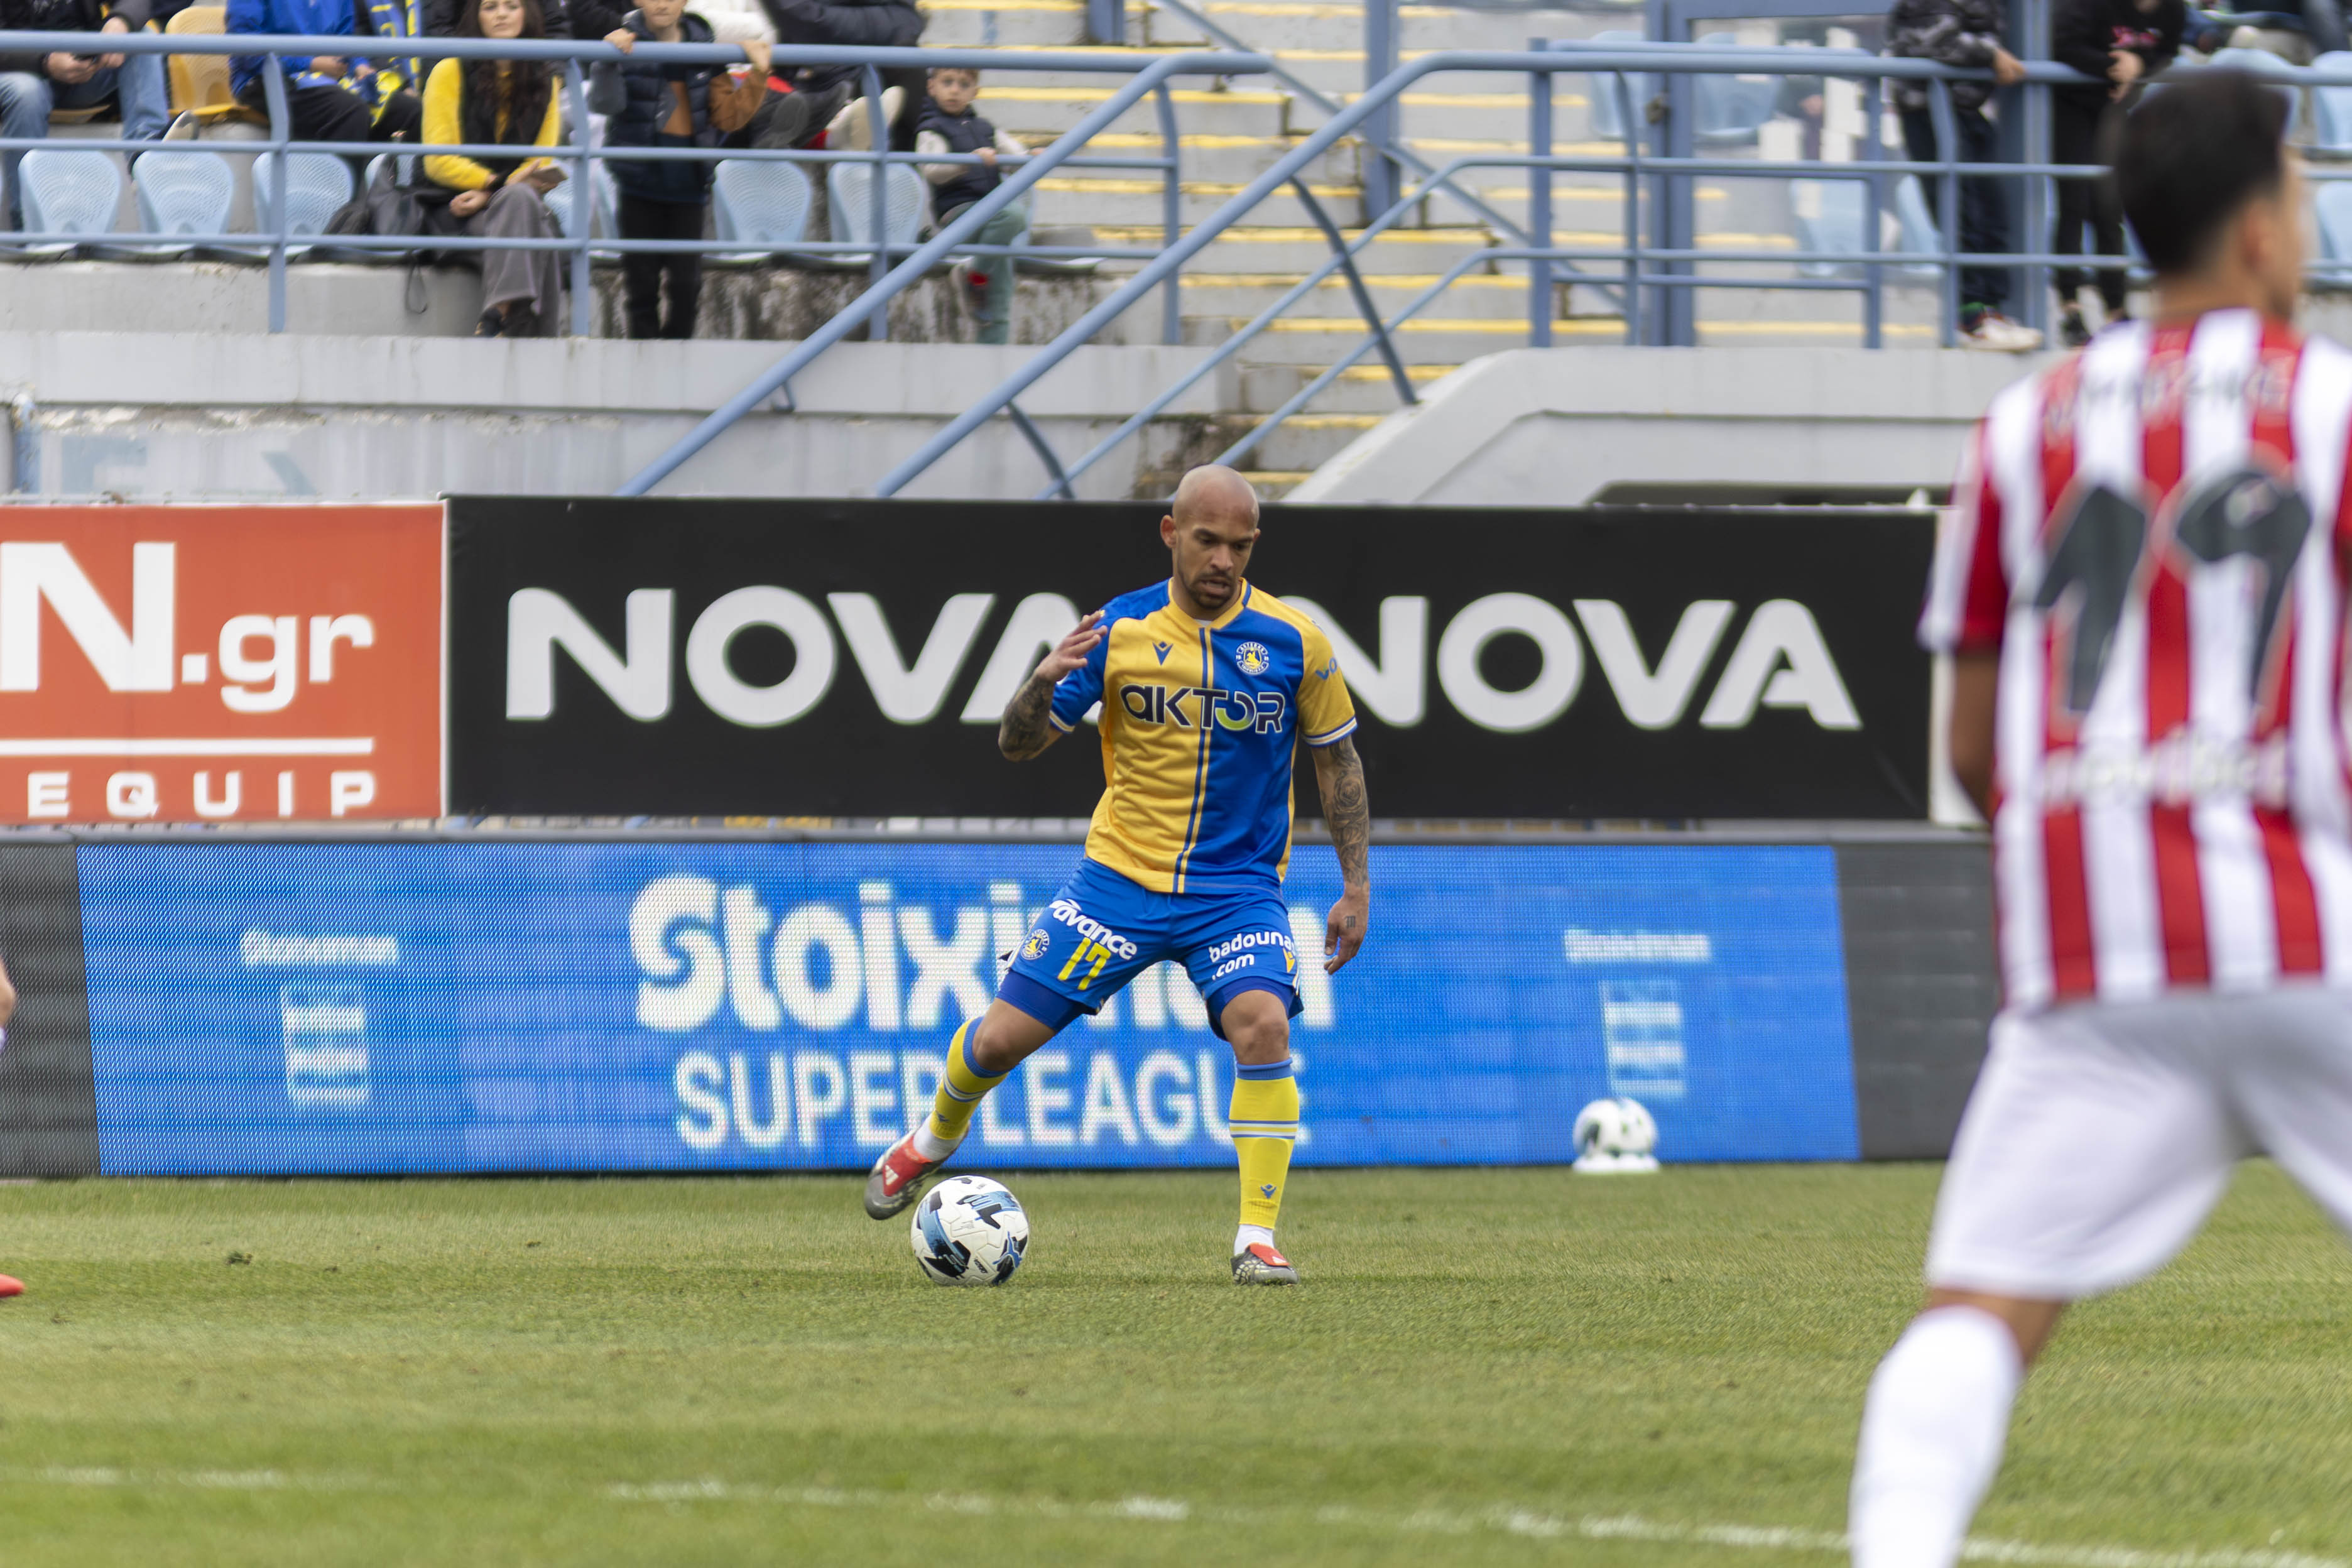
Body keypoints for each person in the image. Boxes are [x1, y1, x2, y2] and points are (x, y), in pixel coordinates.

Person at [1853, 72, 2352, 1565]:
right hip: (2306, 931)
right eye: (2299, 194)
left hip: (2090, 957)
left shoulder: (2022, 424)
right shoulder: (2331, 405)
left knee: (1978, 1313)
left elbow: (1968, 744)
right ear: (2258, 228)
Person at [863, 465, 1373, 1287]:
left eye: (1240, 546)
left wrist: (1356, 886)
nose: (1223, 561)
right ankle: (934, 1137)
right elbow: (1019, 746)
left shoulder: (1296, 641)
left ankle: (1257, 1238)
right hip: (1118, 883)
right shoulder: (1119, 631)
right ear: (1171, 534)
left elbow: (1337, 761)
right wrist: (1040, 683)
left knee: (1264, 1026)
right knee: (998, 1040)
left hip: (1236, 891)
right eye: (1207, 541)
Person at [589, 0, 765, 340]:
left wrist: (758, 73)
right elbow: (606, 103)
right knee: (641, 288)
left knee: (687, 287)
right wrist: (607, 61)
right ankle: (644, 360)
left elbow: (728, 117)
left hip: (689, 188)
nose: (661, 3)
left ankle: (677, 354)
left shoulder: (706, 50)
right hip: (639, 186)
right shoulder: (626, 43)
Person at [1886, 0, 2044, 351]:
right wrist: (1991, 55)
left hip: (1965, 109)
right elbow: (1929, 39)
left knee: (1991, 213)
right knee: (1962, 214)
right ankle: (1970, 318)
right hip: (1929, 108)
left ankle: (1990, 312)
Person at [423, 0, 566, 336]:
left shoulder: (546, 79)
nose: (501, 14)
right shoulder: (449, 70)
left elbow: (540, 163)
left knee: (521, 204)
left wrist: (491, 194)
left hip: (503, 204)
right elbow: (437, 161)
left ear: (527, 14)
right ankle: (538, 338)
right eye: (490, 7)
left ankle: (497, 317)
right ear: (476, 17)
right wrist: (498, 186)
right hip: (454, 206)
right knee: (536, 227)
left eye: (511, 6)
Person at [2049, 0, 2182, 346]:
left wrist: (2138, 66)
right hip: (2071, 104)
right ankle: (2070, 308)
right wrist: (2113, 66)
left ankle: (2116, 310)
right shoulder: (2088, 6)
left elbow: (2166, 52)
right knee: (2074, 204)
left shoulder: (2172, 10)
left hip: (2113, 107)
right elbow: (2061, 44)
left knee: (2110, 210)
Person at [0, 0, 167, 231]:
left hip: (83, 67)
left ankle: (146, 156)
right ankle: (28, 225)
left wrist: (120, 21)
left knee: (142, 38)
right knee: (26, 93)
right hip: (18, 70)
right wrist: (45, 61)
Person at [916, 66, 1028, 345]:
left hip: (990, 219)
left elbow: (1016, 156)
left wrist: (1032, 156)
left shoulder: (985, 128)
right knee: (1014, 216)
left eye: (964, 85)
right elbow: (932, 170)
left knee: (1000, 289)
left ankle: (994, 348)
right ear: (932, 87)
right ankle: (974, 274)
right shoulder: (931, 129)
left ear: (975, 92)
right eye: (947, 82)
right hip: (959, 215)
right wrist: (968, 161)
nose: (955, 90)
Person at [228, 0, 423, 148]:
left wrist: (359, 65)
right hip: (263, 79)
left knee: (413, 111)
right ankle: (341, 191)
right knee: (350, 110)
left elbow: (346, 39)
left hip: (329, 80)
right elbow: (248, 52)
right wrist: (311, 64)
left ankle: (390, 187)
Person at [754, 0, 919, 150]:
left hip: (857, 72)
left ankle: (928, 147)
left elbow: (906, 20)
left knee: (908, 61)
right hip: (805, 77)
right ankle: (834, 137)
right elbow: (803, 18)